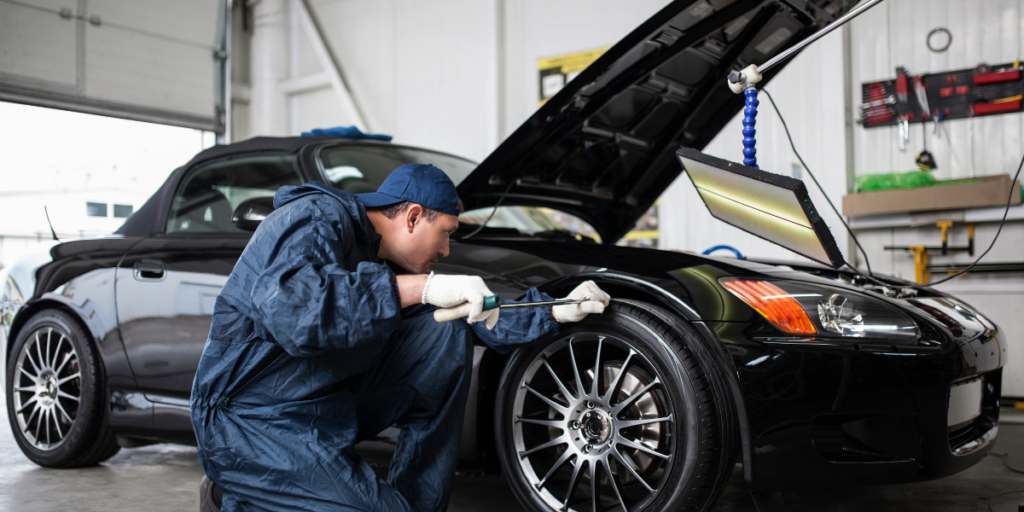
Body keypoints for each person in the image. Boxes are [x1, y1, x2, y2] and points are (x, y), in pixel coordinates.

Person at [192, 163, 610, 512]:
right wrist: (422, 288)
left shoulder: (382, 256)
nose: (446, 250)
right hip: (247, 419)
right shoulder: (314, 217)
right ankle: (240, 494)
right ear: (412, 217)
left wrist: (554, 309)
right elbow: (294, 311)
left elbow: (480, 316)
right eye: (446, 232)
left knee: (444, 330)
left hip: (321, 400)